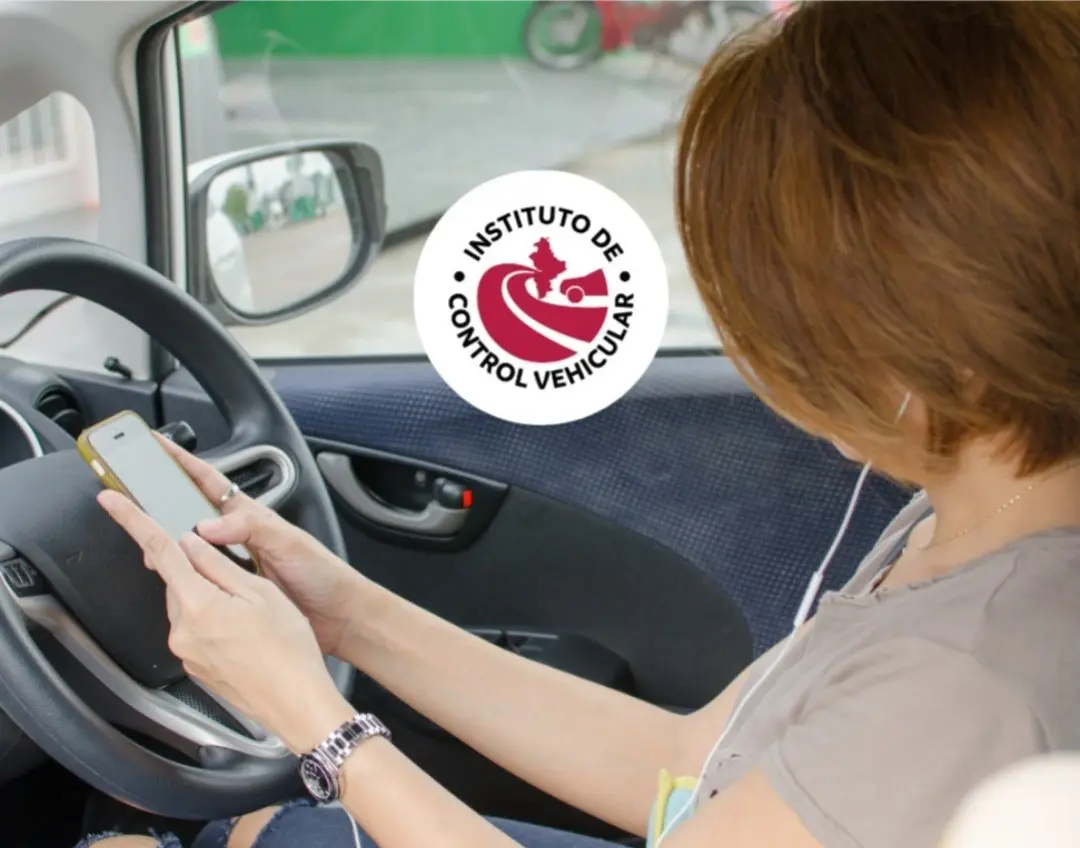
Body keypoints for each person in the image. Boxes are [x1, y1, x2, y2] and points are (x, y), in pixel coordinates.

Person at [84, 2, 1080, 846]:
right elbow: (683, 764)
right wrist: (345, 613)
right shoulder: (977, 518)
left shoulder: (967, 678)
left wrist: (314, 715)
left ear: (921, 334)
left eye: (778, 311)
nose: (761, 354)